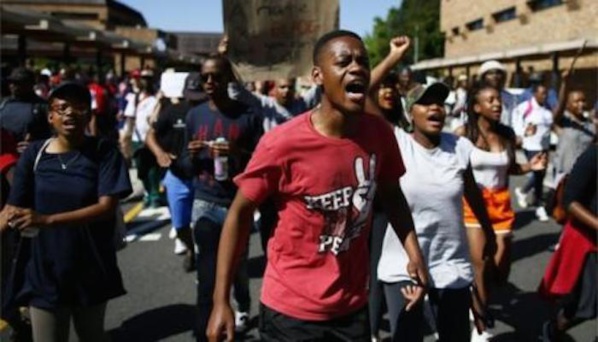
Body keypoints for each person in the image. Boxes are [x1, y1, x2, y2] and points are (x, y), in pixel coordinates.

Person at [206, 30, 428, 342]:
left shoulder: (379, 134)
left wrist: (413, 251)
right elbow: (239, 214)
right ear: (317, 76)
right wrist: (220, 301)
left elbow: (392, 195)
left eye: (363, 61)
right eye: (344, 62)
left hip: (352, 308)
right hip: (290, 315)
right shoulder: (282, 143)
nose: (357, 68)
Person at [0, 82, 132, 342]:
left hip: (90, 266)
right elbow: (12, 208)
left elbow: (106, 208)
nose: (70, 113)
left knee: (91, 335)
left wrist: (47, 220)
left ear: (89, 115)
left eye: (79, 107)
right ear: (51, 116)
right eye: (62, 108)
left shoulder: (104, 153)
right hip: (43, 270)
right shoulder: (34, 155)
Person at [180, 54, 264, 341]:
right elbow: (187, 167)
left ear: (229, 79)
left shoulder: (248, 115)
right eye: (204, 77)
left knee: (238, 266)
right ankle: (207, 322)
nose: (209, 82)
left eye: (216, 76)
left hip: (236, 203)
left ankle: (242, 304)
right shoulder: (194, 115)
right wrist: (190, 156)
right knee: (208, 266)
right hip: (204, 200)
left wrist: (238, 154)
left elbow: (261, 162)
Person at [456, 84, 547, 341]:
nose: (497, 104)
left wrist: (531, 165)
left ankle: (476, 297)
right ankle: (480, 326)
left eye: (499, 100)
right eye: (491, 100)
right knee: (480, 263)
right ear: (476, 107)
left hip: (501, 204)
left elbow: (510, 169)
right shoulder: (464, 135)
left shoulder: (506, 134)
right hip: (473, 204)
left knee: (500, 269)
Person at [146, 72, 207, 271]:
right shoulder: (172, 111)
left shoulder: (211, 112)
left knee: (207, 225)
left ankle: (208, 257)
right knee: (180, 225)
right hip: (177, 176)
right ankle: (190, 248)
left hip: (204, 176)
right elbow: (150, 134)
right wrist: (159, 153)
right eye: (192, 97)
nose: (195, 102)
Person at [538, 144, 596, 342]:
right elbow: (570, 201)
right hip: (587, 242)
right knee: (585, 306)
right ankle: (554, 329)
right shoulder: (593, 155)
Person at [512, 84, 554, 221]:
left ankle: (523, 191)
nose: (544, 95)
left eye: (546, 93)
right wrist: (521, 135)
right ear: (534, 94)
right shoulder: (525, 107)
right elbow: (516, 121)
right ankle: (539, 206)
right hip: (530, 145)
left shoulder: (547, 109)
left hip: (544, 147)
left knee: (539, 174)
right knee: (539, 172)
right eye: (542, 93)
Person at [0, 67, 52, 154]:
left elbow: (54, 136)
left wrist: (36, 145)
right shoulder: (3, 103)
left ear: (30, 84)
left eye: (18, 82)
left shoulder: (42, 107)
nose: (13, 86)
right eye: (11, 82)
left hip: (29, 157)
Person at [478, 60, 518, 128]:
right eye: (490, 73)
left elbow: (515, 120)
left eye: (498, 73)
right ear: (483, 77)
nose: (495, 76)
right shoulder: (477, 96)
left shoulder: (511, 98)